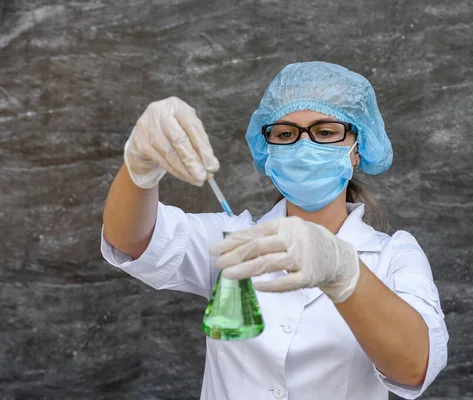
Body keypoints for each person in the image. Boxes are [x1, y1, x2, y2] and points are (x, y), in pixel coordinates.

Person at [101, 61, 448, 400]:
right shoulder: (232, 237)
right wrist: (139, 165)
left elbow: (414, 367)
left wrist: (345, 273)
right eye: (285, 134)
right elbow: (130, 239)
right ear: (268, 150)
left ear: (357, 149)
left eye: (325, 132)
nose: (303, 146)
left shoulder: (393, 256)